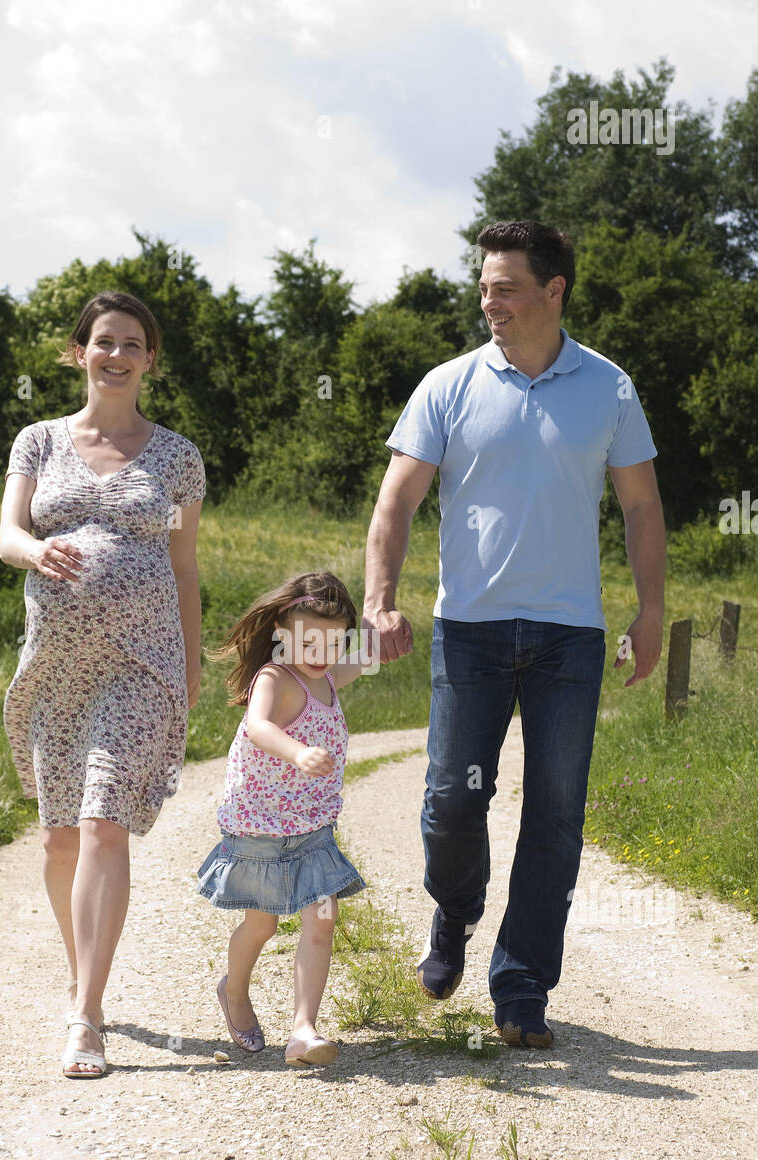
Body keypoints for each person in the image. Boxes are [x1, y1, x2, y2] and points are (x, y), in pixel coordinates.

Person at [363, 219, 665, 1049]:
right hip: (471, 634)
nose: (487, 300)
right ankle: (454, 915)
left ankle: (521, 987)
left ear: (552, 290)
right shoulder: (448, 385)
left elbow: (641, 506)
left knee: (557, 815)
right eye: (483, 285)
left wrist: (648, 610)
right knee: (451, 801)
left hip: (571, 637)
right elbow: (396, 503)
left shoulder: (607, 388)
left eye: (504, 286)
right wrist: (379, 597)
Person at [0, 290, 205, 1078]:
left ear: (151, 359)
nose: (116, 355)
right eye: (103, 342)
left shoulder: (177, 458)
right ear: (78, 352)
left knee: (100, 825)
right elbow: (10, 529)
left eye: (132, 344)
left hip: (140, 664)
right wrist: (32, 553)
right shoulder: (38, 441)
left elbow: (184, 567)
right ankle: (82, 973)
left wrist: (188, 666)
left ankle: (86, 1016)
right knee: (57, 836)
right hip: (56, 666)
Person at [197, 571, 375, 1066]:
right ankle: (233, 992)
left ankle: (303, 1030)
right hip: (260, 829)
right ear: (281, 628)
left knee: (322, 920)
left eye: (333, 639)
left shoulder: (330, 677)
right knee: (262, 926)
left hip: (313, 829)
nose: (321, 650)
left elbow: (370, 654)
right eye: (308, 637)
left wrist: (385, 618)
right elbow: (258, 726)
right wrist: (297, 752)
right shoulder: (275, 678)